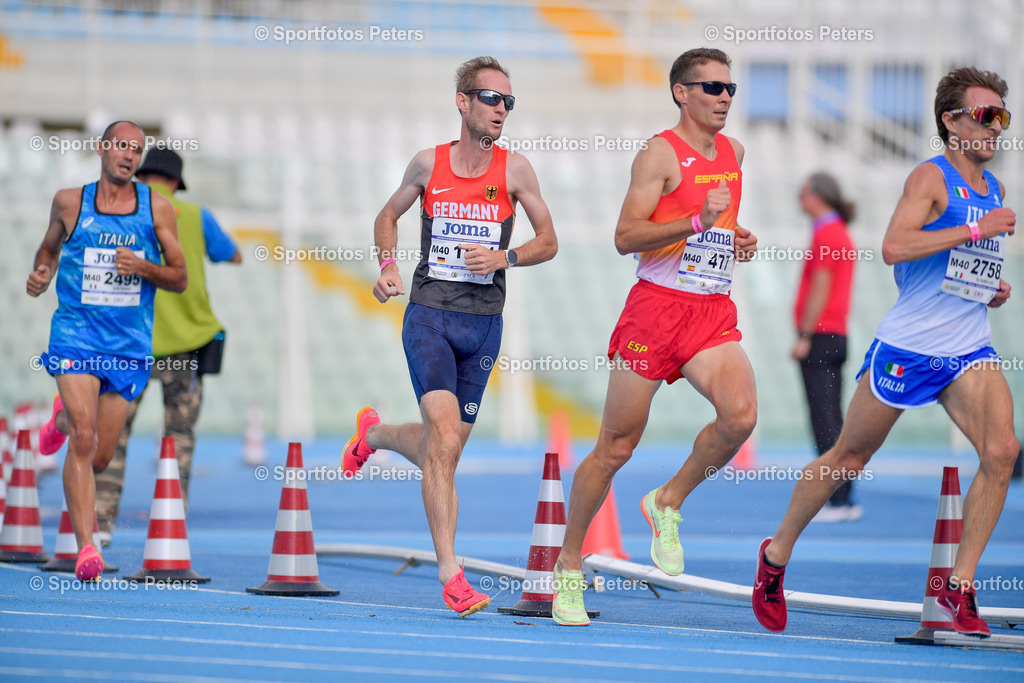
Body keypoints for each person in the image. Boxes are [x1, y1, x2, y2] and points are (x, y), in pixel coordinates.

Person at [753, 67, 1017, 638]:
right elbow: (895, 247)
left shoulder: (994, 189)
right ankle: (774, 557)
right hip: (910, 346)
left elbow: (957, 268)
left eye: (1003, 116)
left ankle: (958, 588)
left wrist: (988, 287)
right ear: (951, 122)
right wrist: (977, 232)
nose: (997, 127)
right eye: (985, 115)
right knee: (848, 458)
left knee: (1002, 451)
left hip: (968, 345)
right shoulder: (930, 176)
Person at [340, 56, 557, 617]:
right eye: (492, 99)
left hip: (483, 326)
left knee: (446, 449)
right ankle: (451, 573)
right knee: (442, 435)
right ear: (463, 102)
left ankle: (374, 435)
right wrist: (387, 265)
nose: (502, 110)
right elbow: (386, 216)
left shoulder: (516, 171)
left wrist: (506, 257)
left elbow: (549, 240)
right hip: (430, 317)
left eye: (509, 102)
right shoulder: (427, 164)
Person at [551, 47, 759, 626]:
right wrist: (697, 223)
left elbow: (718, 223)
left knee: (740, 417)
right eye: (712, 87)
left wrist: (736, 237)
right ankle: (568, 565)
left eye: (730, 88)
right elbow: (626, 237)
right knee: (616, 447)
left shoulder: (735, 153)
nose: (724, 97)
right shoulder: (659, 153)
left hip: (709, 310)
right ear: (681, 93)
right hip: (655, 312)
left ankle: (668, 500)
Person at [26, 121, 187, 581]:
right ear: (102, 148)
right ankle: (86, 548)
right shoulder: (69, 202)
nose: (129, 155)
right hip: (76, 336)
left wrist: (143, 266)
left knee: (99, 455)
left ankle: (59, 419)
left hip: (128, 346)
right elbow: (48, 249)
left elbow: (179, 277)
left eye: (136, 149)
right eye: (121, 146)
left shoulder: (156, 207)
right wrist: (41, 273)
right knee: (84, 436)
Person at [65, 148, 237, 544]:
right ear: (176, 182)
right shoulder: (196, 215)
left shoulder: (122, 214)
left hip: (129, 345)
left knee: (113, 434)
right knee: (180, 434)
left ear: (140, 177)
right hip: (188, 344)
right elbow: (232, 254)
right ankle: (171, 523)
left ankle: (101, 523)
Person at [792, 172, 860, 522]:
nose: (799, 199)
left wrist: (805, 335)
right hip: (835, 334)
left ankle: (837, 498)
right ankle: (842, 495)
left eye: (803, 193)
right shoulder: (837, 231)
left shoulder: (827, 232)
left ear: (817, 196)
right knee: (832, 416)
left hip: (822, 336)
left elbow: (820, 286)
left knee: (825, 419)